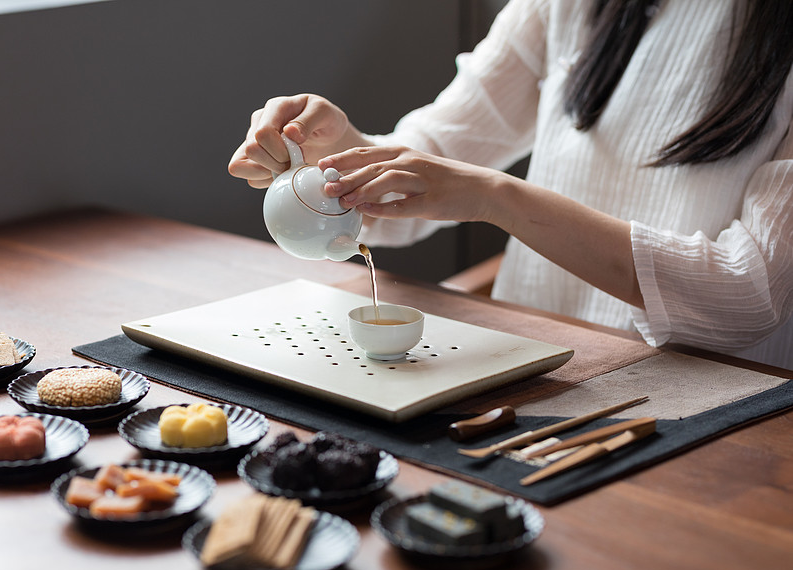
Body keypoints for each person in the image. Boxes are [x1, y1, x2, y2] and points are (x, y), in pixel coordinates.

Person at [228, 0, 793, 371]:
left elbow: (747, 296)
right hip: (532, 372)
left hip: (713, 406)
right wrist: (344, 153)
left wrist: (499, 199)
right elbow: (444, 152)